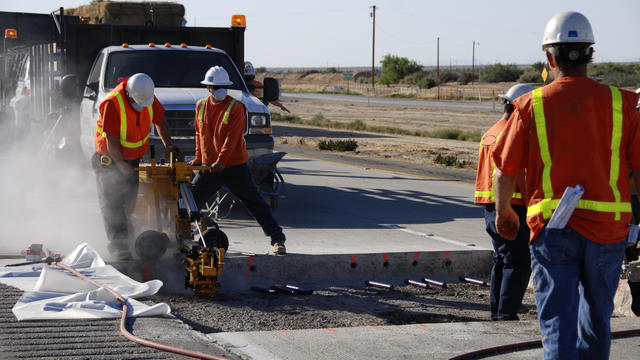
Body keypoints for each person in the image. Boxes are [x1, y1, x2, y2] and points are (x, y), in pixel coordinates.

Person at [492, 11, 640, 359]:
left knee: (558, 322)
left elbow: (504, 171)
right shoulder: (623, 103)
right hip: (608, 231)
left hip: (553, 230)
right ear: (590, 54)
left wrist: (503, 213)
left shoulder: (530, 105)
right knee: (598, 322)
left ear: (548, 56)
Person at [189, 66, 287, 255]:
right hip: (210, 167)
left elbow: (232, 138)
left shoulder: (236, 107)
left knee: (255, 202)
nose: (220, 90)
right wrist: (199, 157)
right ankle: (179, 236)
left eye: (223, 86)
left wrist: (221, 160)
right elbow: (199, 133)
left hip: (234, 166)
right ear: (208, 88)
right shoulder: (200, 105)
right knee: (190, 203)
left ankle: (277, 239)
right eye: (216, 87)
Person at [92, 73, 177, 260]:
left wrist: (168, 145)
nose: (142, 106)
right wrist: (120, 164)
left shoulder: (147, 97)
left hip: (132, 159)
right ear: (129, 94)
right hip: (109, 160)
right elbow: (112, 139)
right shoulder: (112, 104)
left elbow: (161, 121)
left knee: (128, 203)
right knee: (112, 205)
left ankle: (127, 240)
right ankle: (119, 247)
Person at [475, 83, 534, 321]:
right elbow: (516, 173)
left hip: (491, 207)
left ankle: (497, 311)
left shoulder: (490, 132)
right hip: (513, 207)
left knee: (501, 260)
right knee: (518, 262)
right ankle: (507, 314)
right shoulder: (512, 134)